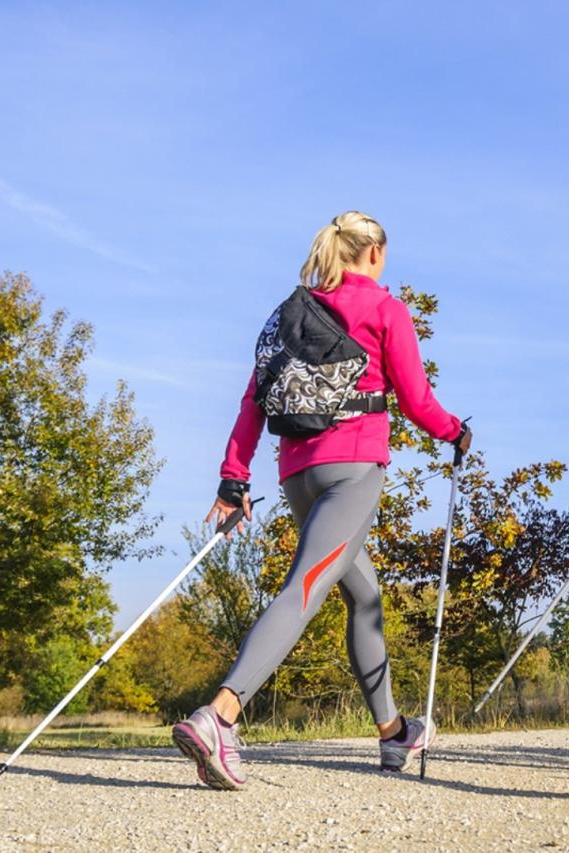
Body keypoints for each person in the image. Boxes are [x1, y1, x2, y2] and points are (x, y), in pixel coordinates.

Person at [172, 210, 472, 790]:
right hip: (353, 471)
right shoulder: (385, 308)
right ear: (376, 255)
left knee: (365, 594)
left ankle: (392, 732)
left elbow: (254, 399)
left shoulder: (293, 312)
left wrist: (233, 478)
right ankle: (221, 715)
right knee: (305, 588)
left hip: (297, 474)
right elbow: (416, 399)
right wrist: (456, 431)